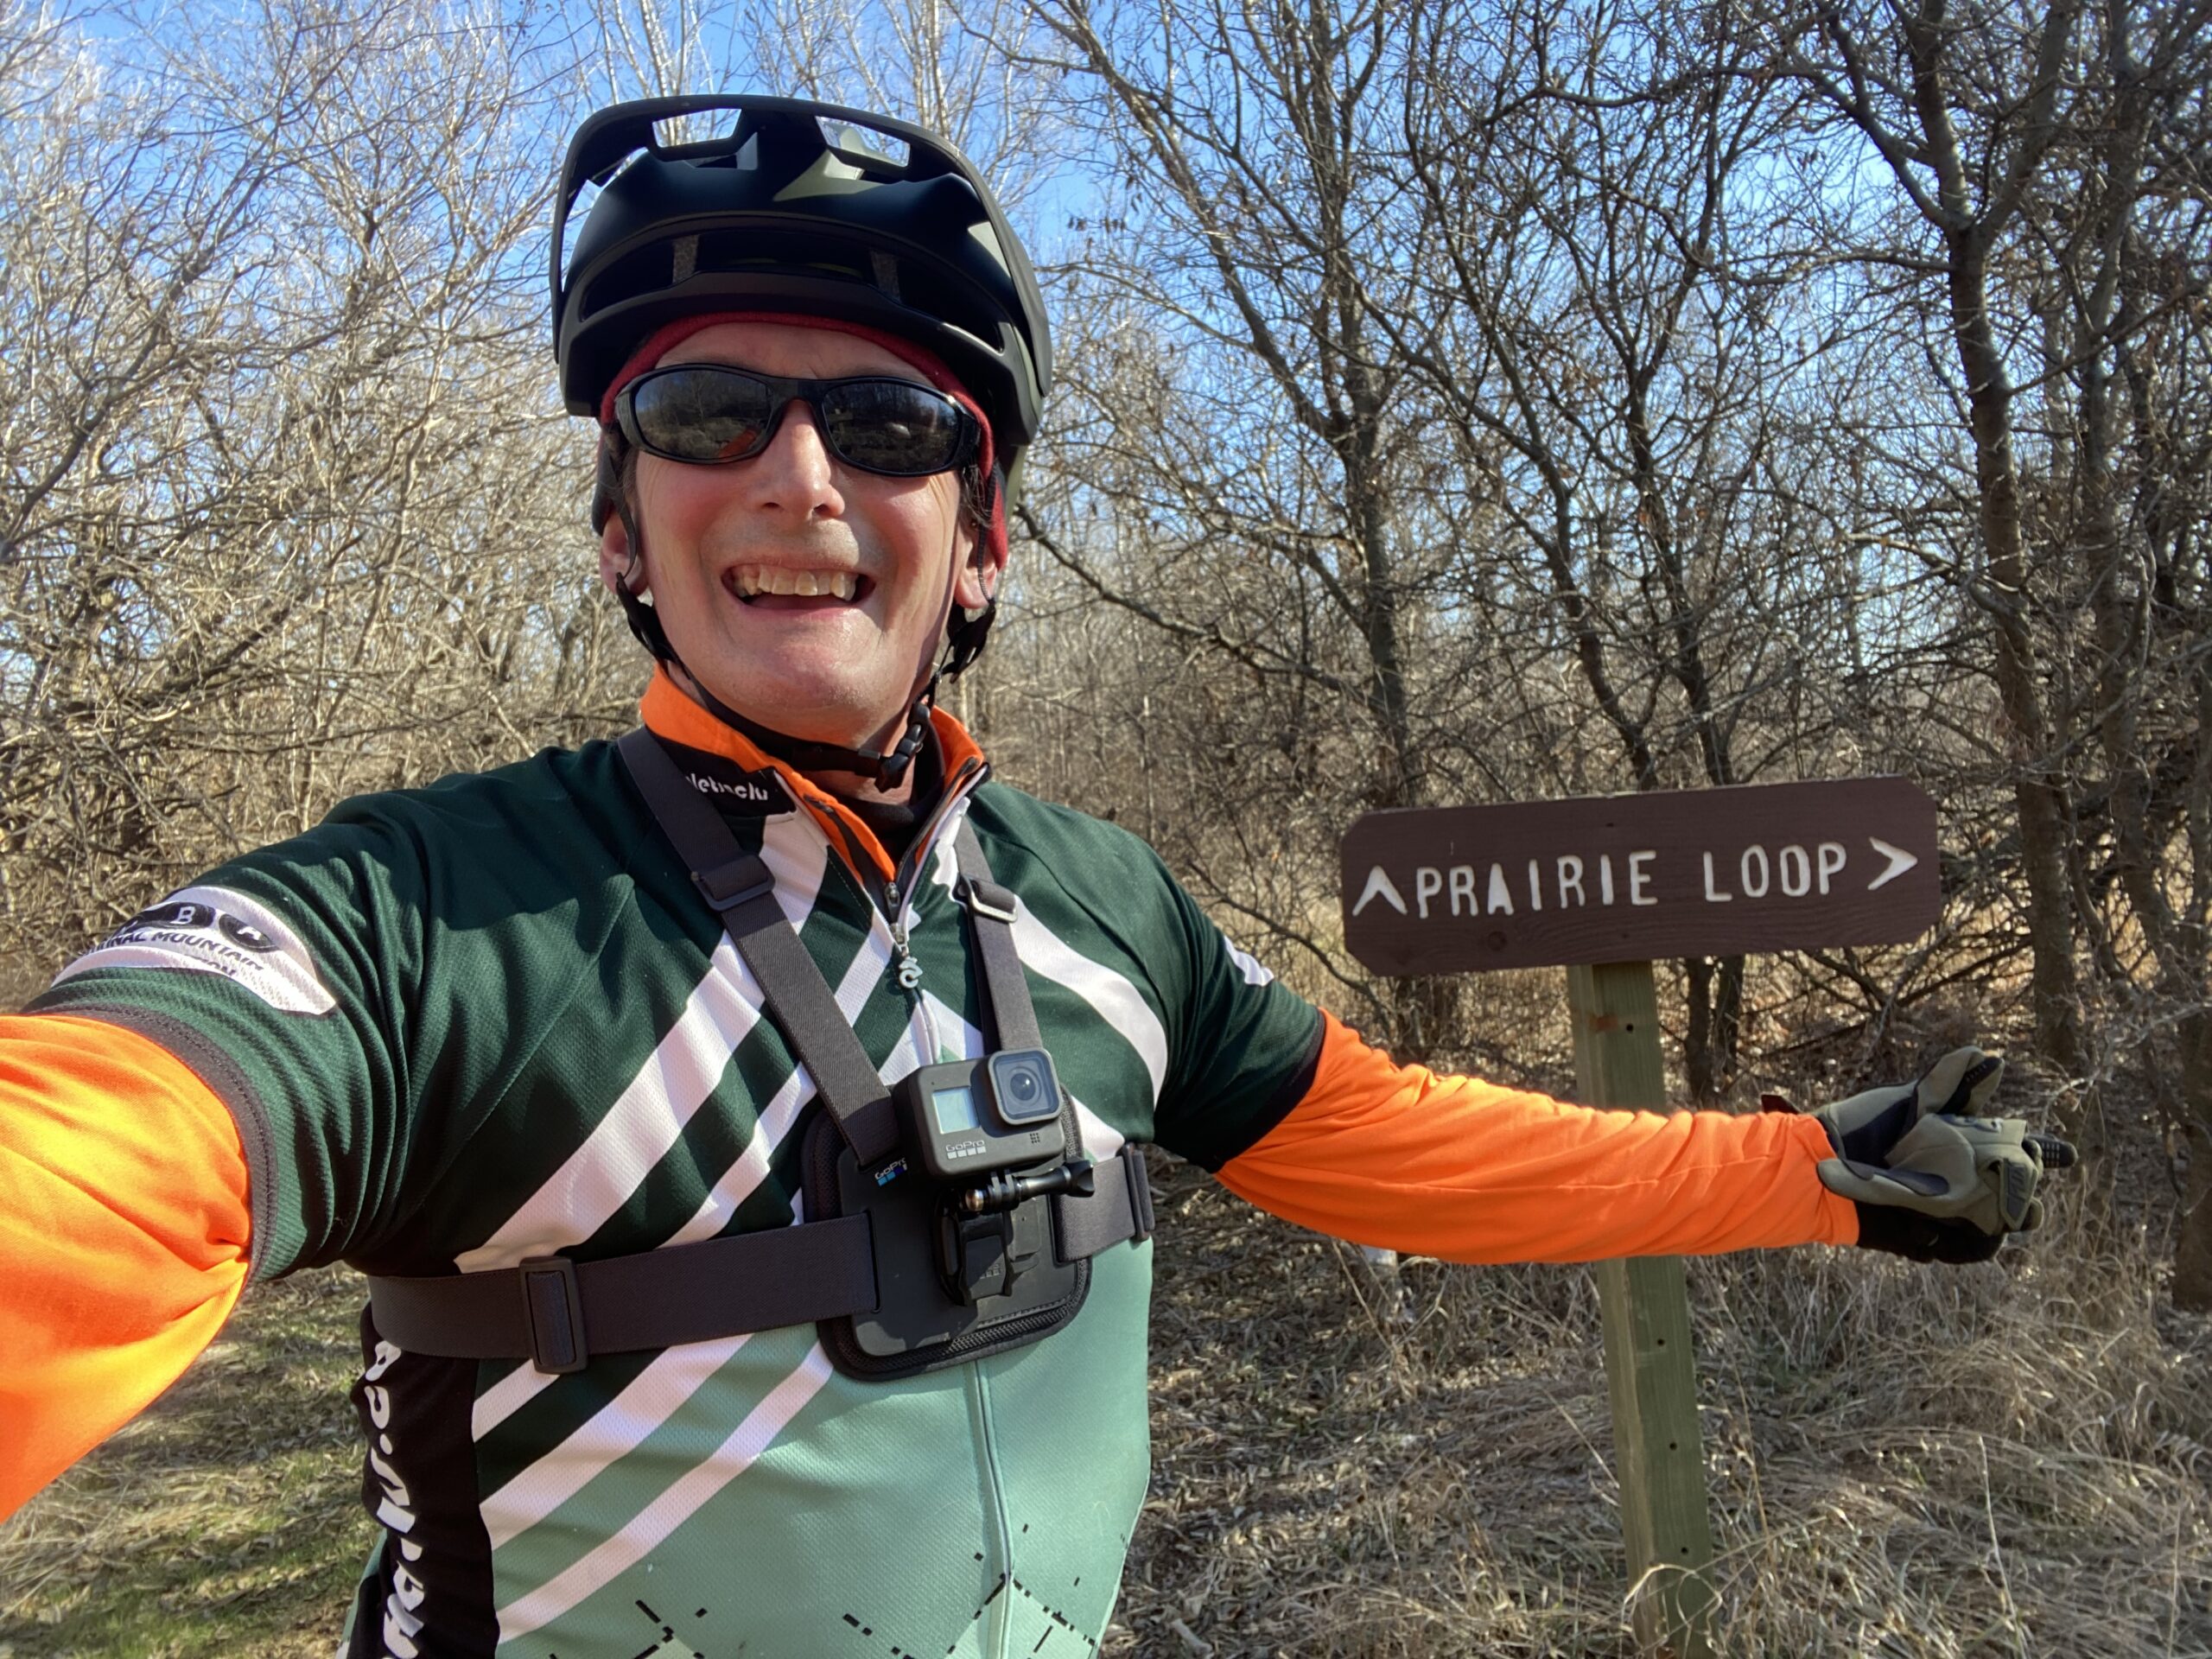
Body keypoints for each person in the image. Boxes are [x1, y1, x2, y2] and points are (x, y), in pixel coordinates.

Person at [0, 94, 2071, 1659]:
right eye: (708, 410)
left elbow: (1405, 1144)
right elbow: (102, 1153)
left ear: (979, 542)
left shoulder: (1098, 905)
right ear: (622, 526)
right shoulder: (444, 912)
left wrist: (1807, 1167)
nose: (803, 475)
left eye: (893, 425)